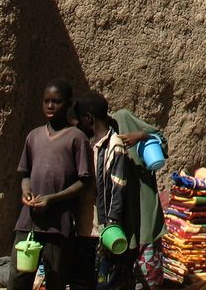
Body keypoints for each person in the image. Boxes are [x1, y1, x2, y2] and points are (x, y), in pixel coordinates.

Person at [8, 79, 92, 290]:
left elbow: (84, 182)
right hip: (29, 220)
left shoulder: (77, 138)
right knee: (18, 280)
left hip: (59, 224)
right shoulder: (34, 136)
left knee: (56, 280)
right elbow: (25, 174)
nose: (50, 106)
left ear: (69, 104)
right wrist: (26, 192)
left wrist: (52, 199)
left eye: (56, 101)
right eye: (46, 101)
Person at [75, 91, 135, 290]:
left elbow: (118, 186)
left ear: (88, 118)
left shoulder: (114, 145)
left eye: (81, 120)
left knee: (105, 283)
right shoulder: (94, 144)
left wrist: (111, 223)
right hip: (87, 226)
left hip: (103, 228)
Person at [111, 109, 167, 289]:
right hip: (121, 218)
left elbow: (161, 140)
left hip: (143, 210)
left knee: (148, 278)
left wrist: (142, 136)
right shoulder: (103, 139)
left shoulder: (123, 120)